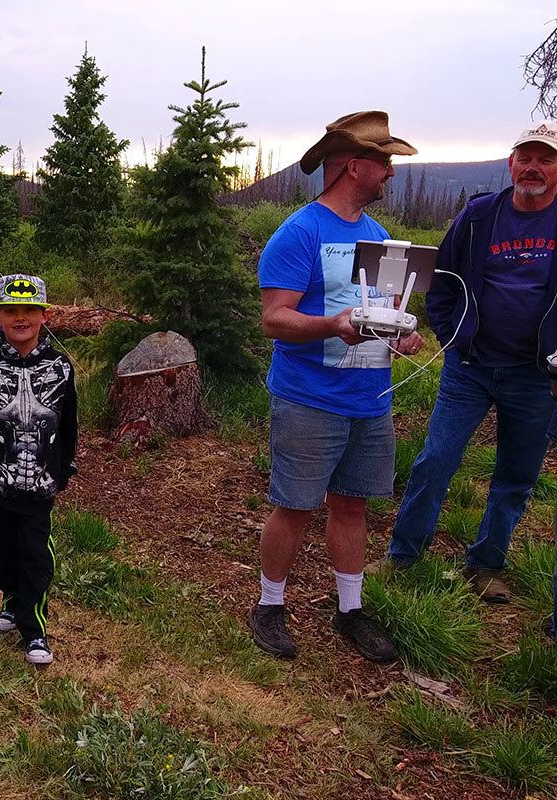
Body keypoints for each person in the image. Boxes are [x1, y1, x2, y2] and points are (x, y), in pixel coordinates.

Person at [247, 111, 422, 663]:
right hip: (308, 399)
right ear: (354, 166)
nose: (390, 172)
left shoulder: (378, 239)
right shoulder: (299, 233)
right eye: (383, 161)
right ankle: (268, 605)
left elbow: (383, 317)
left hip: (369, 401)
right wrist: (332, 324)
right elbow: (274, 319)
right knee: (294, 507)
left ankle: (350, 611)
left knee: (352, 508)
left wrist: (401, 338)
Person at [377, 122, 557, 603]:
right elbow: (441, 276)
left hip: (537, 376)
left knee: (516, 479)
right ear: (511, 161)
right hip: (470, 365)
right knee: (436, 459)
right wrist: (450, 332)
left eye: (546, 158)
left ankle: (485, 562)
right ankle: (404, 556)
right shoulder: (480, 216)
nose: (533, 167)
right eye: (526, 156)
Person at [0, 273, 77, 665]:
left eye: (29, 310)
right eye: (11, 311)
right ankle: (10, 598)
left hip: (41, 485)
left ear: (45, 315)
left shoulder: (61, 368)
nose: (20, 318)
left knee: (35, 555)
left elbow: (69, 422)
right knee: (2, 553)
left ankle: (34, 630)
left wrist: (65, 467)